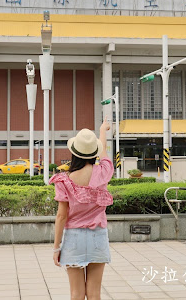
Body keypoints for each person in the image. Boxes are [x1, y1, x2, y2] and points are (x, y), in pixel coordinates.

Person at [51, 118, 112, 300]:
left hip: (74, 239)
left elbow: (61, 216)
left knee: (76, 295)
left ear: (74, 153)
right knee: (94, 295)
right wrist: (103, 130)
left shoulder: (64, 180)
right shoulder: (103, 172)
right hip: (98, 237)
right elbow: (105, 152)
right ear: (94, 153)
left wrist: (56, 248)